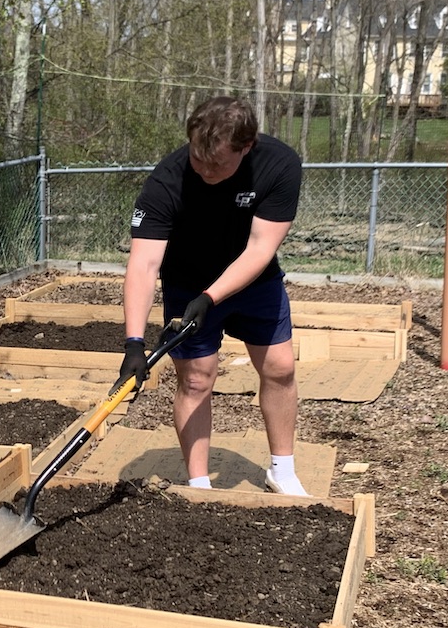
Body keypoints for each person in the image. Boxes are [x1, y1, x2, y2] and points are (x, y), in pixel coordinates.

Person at [116, 96, 309, 496]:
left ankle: (282, 471)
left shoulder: (279, 164)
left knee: (280, 368)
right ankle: (200, 483)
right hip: (187, 282)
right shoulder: (167, 179)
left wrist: (213, 296)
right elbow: (144, 265)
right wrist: (134, 343)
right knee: (197, 379)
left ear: (247, 146)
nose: (205, 170)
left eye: (218, 163)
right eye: (198, 159)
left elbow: (260, 249)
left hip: (253, 280)